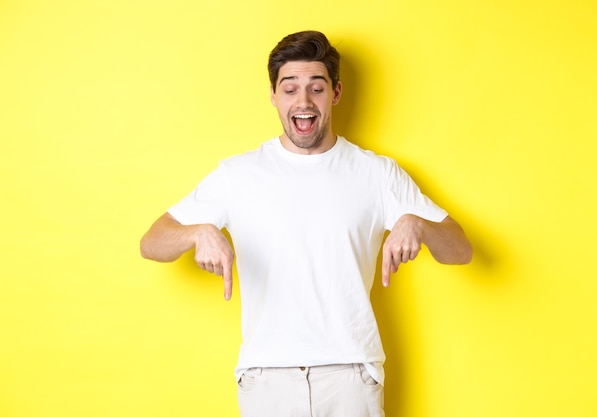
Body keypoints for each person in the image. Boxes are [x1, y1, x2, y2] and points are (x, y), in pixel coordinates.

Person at [140, 30, 472, 417]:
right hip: (266, 379)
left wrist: (419, 224)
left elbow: (460, 250)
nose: (303, 101)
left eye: (316, 88)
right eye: (290, 88)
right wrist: (198, 231)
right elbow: (152, 242)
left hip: (351, 376)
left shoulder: (376, 173)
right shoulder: (238, 175)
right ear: (273, 95)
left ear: (336, 93)